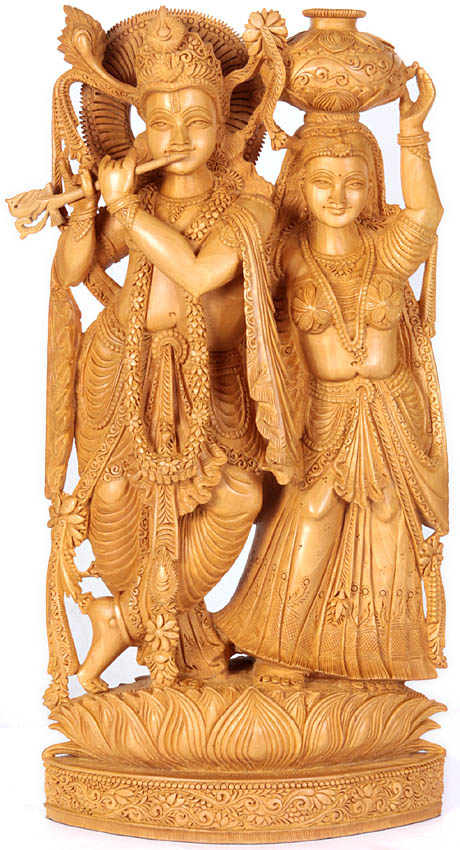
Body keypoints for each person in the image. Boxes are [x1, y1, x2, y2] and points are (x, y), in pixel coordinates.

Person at [50, 8, 296, 693]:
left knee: (240, 495)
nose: (178, 138)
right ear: (139, 129)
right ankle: (169, 630)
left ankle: (125, 621)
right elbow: (72, 273)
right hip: (121, 363)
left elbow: (199, 273)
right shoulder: (142, 193)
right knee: (115, 494)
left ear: (224, 126)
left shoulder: (250, 203)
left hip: (212, 372)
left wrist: (128, 211)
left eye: (196, 121)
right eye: (160, 122)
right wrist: (88, 210)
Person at [215, 68, 448, 684]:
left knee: (388, 516)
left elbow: (426, 212)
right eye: (322, 181)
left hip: (392, 408)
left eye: (353, 182)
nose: (338, 196)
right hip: (323, 407)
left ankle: (370, 657)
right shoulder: (287, 252)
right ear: (301, 184)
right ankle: (281, 647)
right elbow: (236, 283)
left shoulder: (385, 251)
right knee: (314, 510)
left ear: (372, 186)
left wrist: (411, 134)